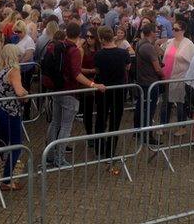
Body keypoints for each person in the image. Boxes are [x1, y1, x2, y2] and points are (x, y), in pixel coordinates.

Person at [44, 23, 105, 167]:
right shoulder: (74, 51)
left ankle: (50, 156)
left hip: (56, 89)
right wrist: (93, 84)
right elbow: (76, 73)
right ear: (79, 35)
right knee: (65, 126)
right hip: (70, 91)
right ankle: (59, 158)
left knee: (55, 122)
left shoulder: (56, 45)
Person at [93, 26, 131, 174]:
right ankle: (110, 151)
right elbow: (127, 67)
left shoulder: (99, 55)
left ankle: (99, 148)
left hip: (103, 89)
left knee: (101, 119)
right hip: (118, 90)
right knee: (115, 120)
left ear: (102, 39)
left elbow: (97, 70)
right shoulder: (123, 53)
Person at [0, 44, 28, 190]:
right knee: (16, 145)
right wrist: (26, 95)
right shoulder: (14, 71)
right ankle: (6, 180)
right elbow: (19, 92)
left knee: (2, 142)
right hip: (11, 111)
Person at [158, 21, 194, 136]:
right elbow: (161, 51)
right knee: (165, 103)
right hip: (167, 77)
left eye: (176, 29)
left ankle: (182, 127)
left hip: (180, 78)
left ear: (183, 30)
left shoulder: (188, 44)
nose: (174, 31)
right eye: (173, 29)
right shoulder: (169, 42)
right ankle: (164, 126)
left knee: (181, 103)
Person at [133, 23, 164, 144]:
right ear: (151, 32)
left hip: (142, 81)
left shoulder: (141, 42)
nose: (157, 32)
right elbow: (157, 68)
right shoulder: (148, 47)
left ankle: (137, 131)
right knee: (149, 110)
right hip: (150, 82)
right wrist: (164, 76)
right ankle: (147, 136)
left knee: (141, 107)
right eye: (156, 31)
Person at [80, 27, 100, 135]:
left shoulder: (100, 50)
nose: (88, 39)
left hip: (98, 81)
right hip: (86, 83)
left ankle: (97, 132)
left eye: (91, 37)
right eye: (87, 36)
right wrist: (91, 70)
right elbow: (78, 69)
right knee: (87, 111)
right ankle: (89, 133)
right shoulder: (83, 49)